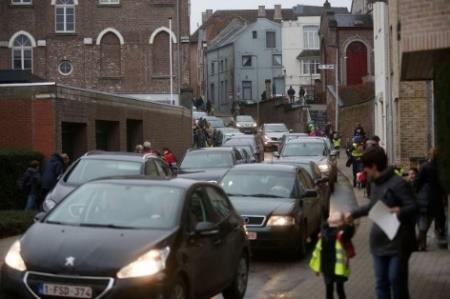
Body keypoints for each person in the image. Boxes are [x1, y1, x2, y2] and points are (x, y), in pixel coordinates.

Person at [345, 146, 417, 299]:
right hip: (379, 244)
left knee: (396, 281)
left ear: (374, 166)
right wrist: (352, 214)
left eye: (366, 167)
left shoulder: (398, 183)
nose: (364, 171)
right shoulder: (375, 183)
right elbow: (373, 207)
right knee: (381, 284)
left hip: (398, 244)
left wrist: (399, 211)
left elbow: (413, 206)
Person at [310, 212, 355, 299]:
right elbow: (349, 231)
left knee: (329, 290)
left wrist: (317, 269)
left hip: (327, 267)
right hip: (338, 269)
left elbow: (317, 253)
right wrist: (349, 223)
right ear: (340, 224)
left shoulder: (323, 235)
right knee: (339, 290)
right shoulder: (341, 235)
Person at [416, 148, 447, 250]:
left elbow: (418, 181)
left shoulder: (424, 166)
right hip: (436, 197)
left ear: (428, 155)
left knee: (423, 221)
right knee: (430, 219)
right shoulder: (440, 168)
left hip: (425, 196)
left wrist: (416, 192)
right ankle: (422, 243)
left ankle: (420, 243)